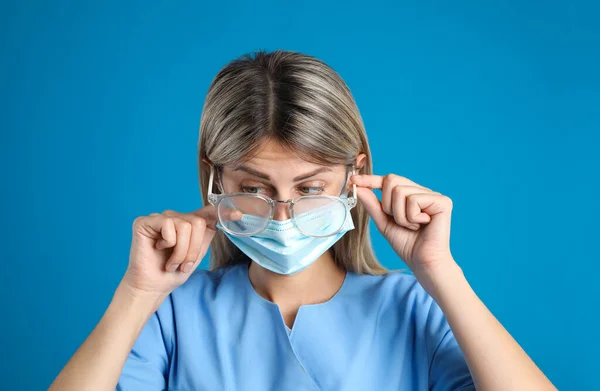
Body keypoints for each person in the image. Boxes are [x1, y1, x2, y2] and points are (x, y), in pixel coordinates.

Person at [49, 50, 556, 391]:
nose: (283, 215)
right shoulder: (171, 316)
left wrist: (441, 273)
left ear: (355, 175)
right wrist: (137, 294)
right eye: (253, 188)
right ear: (214, 179)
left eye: (310, 188)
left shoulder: (414, 311)